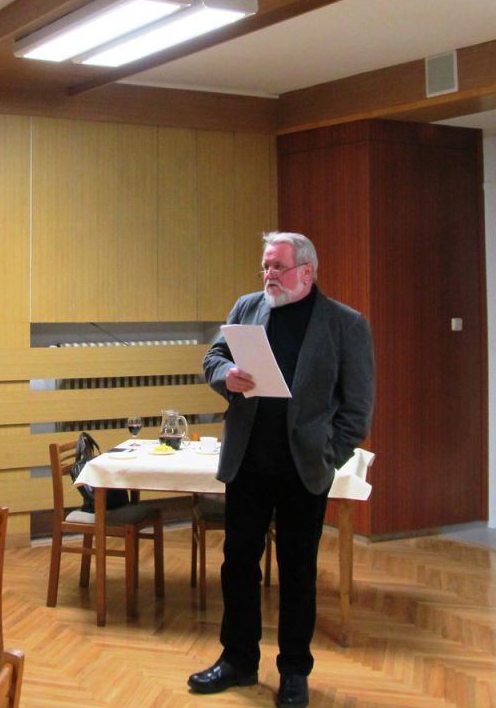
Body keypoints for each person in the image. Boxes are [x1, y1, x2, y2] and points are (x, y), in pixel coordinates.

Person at [188, 232, 375, 708]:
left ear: (307, 272)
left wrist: (328, 456)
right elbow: (213, 358)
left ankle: (294, 671)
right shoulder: (248, 307)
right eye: (266, 266)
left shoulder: (345, 324)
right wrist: (225, 376)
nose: (269, 275)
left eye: (278, 267)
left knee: (297, 572)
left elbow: (357, 411)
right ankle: (237, 660)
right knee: (238, 565)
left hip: (302, 471)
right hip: (248, 464)